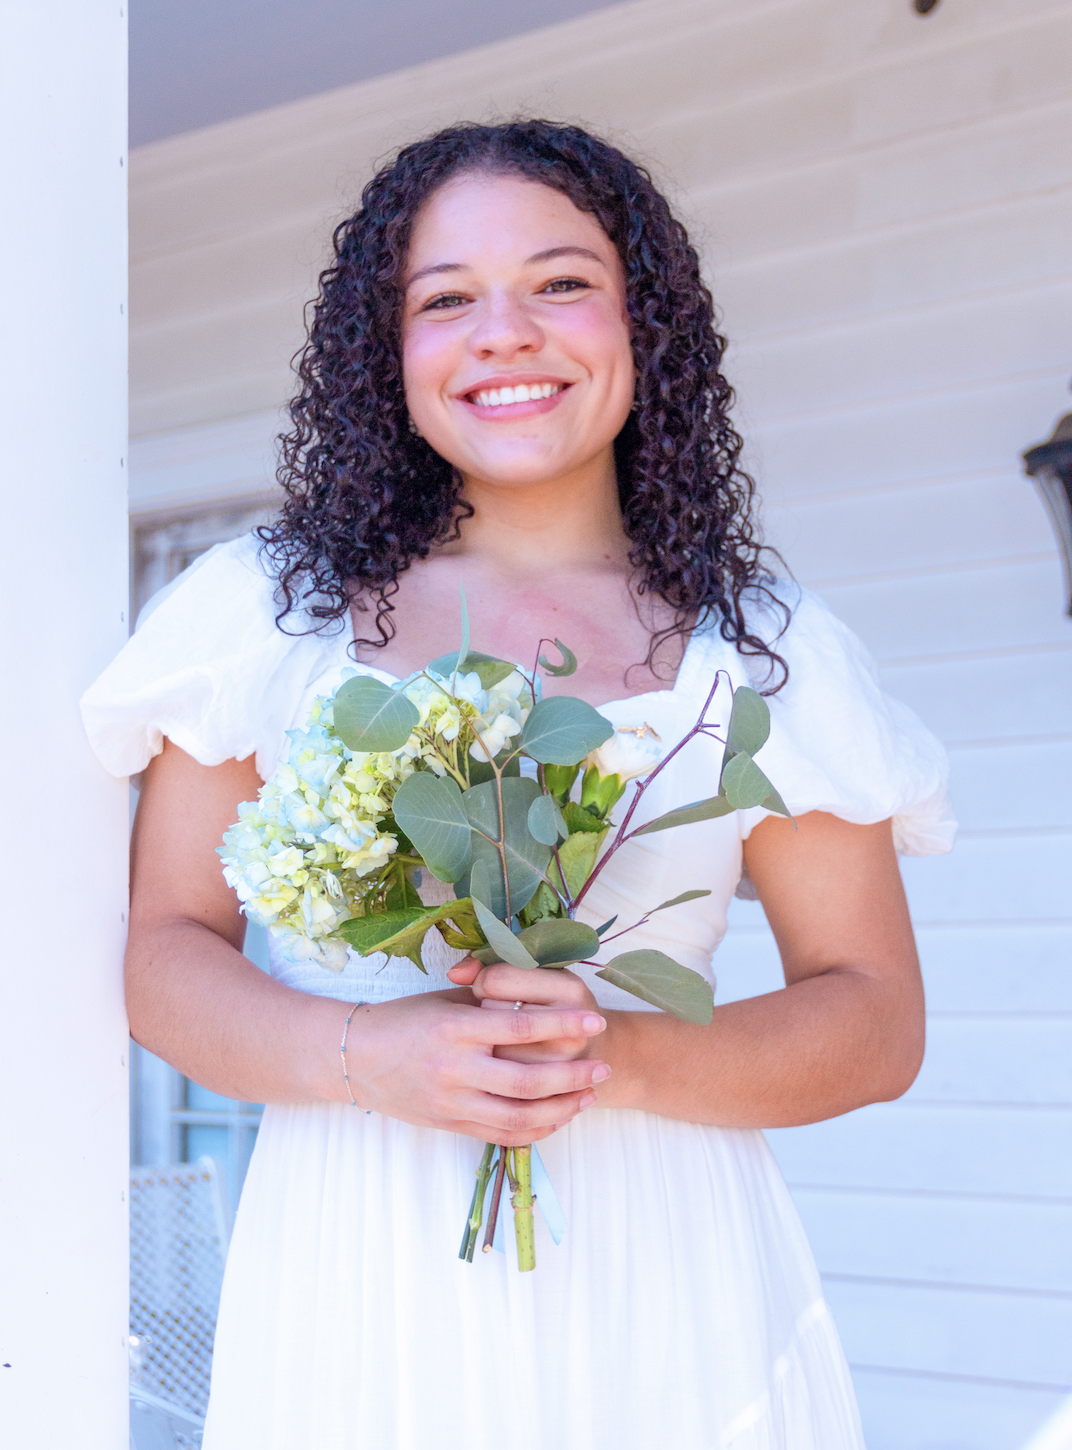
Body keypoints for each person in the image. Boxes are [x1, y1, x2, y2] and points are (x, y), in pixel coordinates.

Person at [83, 120, 955, 1448]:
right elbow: (163, 957)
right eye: (445, 300)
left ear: (644, 322)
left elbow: (877, 1018)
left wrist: (615, 1056)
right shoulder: (266, 617)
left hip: (671, 1278)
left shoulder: (762, 652)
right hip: (360, 1273)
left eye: (560, 282)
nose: (505, 334)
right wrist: (367, 1054)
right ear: (387, 350)